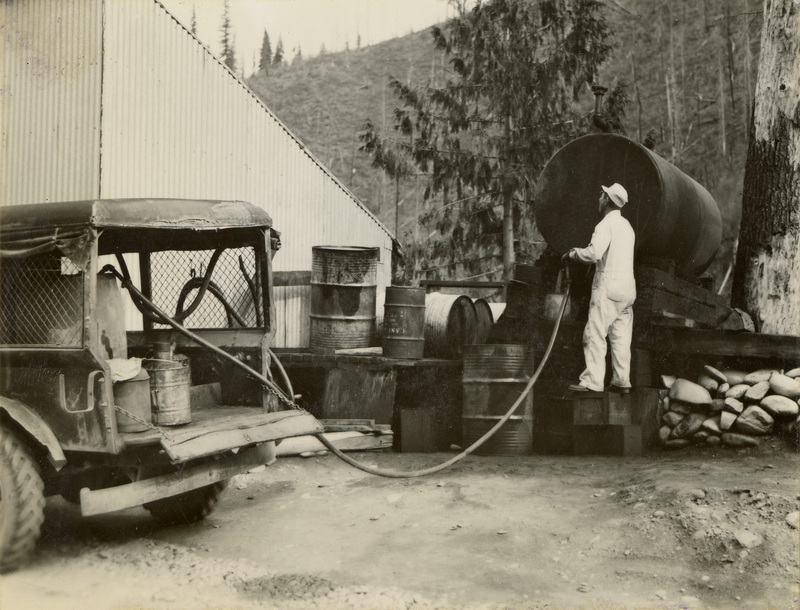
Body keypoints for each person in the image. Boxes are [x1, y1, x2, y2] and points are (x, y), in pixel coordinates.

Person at [562, 183, 636, 394]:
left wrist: (573, 254)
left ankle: (592, 382)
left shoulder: (605, 225)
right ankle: (622, 382)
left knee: (594, 332)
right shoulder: (627, 226)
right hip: (627, 289)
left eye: (601, 195)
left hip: (608, 287)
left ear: (606, 200)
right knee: (620, 336)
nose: (599, 197)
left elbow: (594, 254)